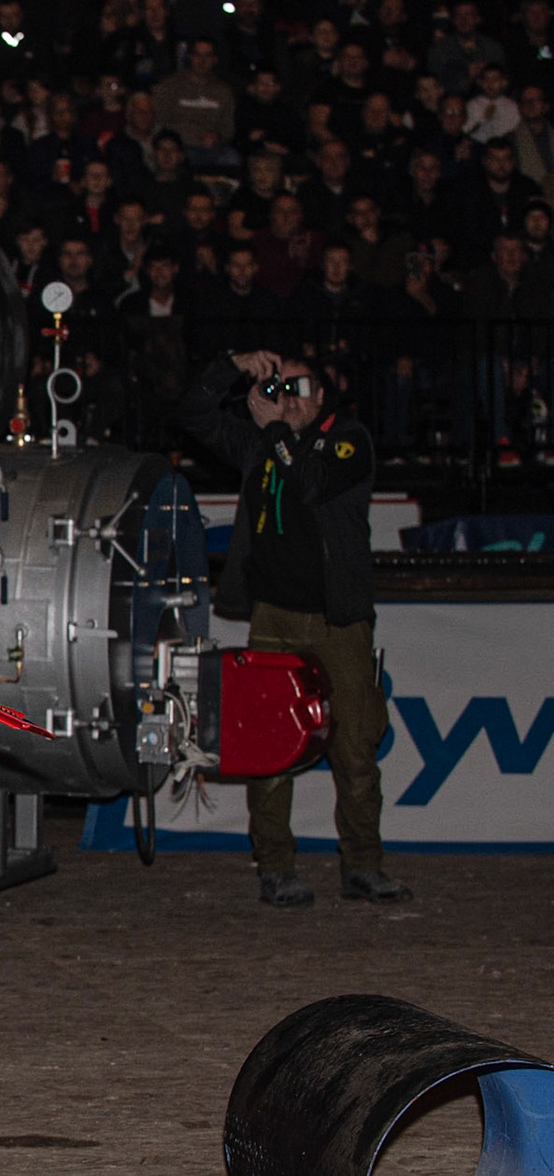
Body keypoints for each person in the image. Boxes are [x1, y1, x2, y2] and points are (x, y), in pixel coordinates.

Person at [178, 350, 409, 907]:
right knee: (270, 748)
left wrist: (275, 426)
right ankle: (276, 866)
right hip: (274, 615)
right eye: (282, 387)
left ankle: (363, 864)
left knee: (354, 749)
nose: (291, 397)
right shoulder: (264, 441)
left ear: (324, 394)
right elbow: (193, 414)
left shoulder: (348, 439)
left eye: (302, 387)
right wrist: (231, 367)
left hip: (337, 621)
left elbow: (310, 482)